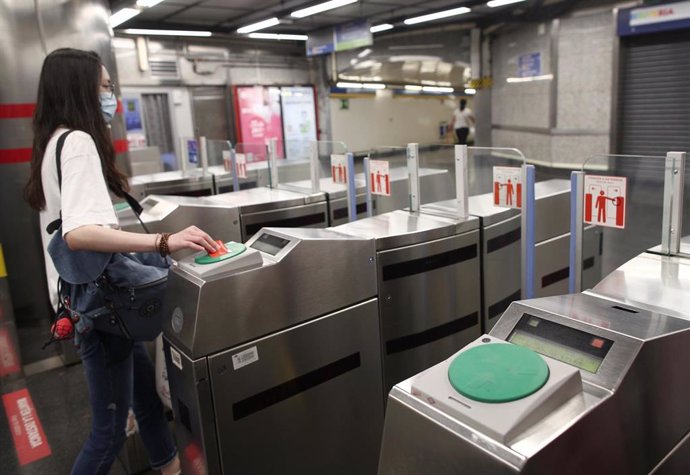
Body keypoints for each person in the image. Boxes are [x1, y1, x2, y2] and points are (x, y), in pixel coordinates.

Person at [24, 48, 218, 475]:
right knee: (108, 433)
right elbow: (78, 234)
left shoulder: (52, 142)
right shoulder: (77, 142)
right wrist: (161, 241)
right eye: (106, 87)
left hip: (87, 302)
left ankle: (169, 468)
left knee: (146, 400)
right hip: (100, 305)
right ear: (82, 89)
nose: (111, 95)